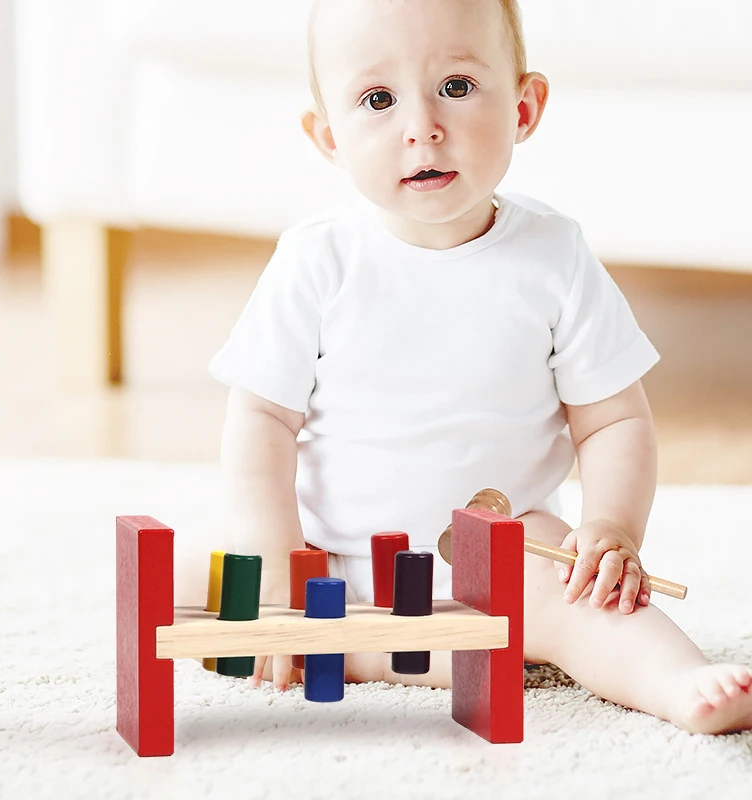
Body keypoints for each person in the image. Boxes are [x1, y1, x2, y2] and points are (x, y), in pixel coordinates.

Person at [209, 0, 752, 734]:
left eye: (457, 87)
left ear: (525, 107)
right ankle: (381, 642)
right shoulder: (316, 261)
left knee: (584, 593)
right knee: (199, 580)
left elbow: (615, 418)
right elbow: (260, 418)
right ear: (329, 137)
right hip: (335, 560)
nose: (421, 126)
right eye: (378, 99)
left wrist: (612, 528)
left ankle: (679, 681)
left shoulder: (554, 257)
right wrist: (271, 554)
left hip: (502, 561)